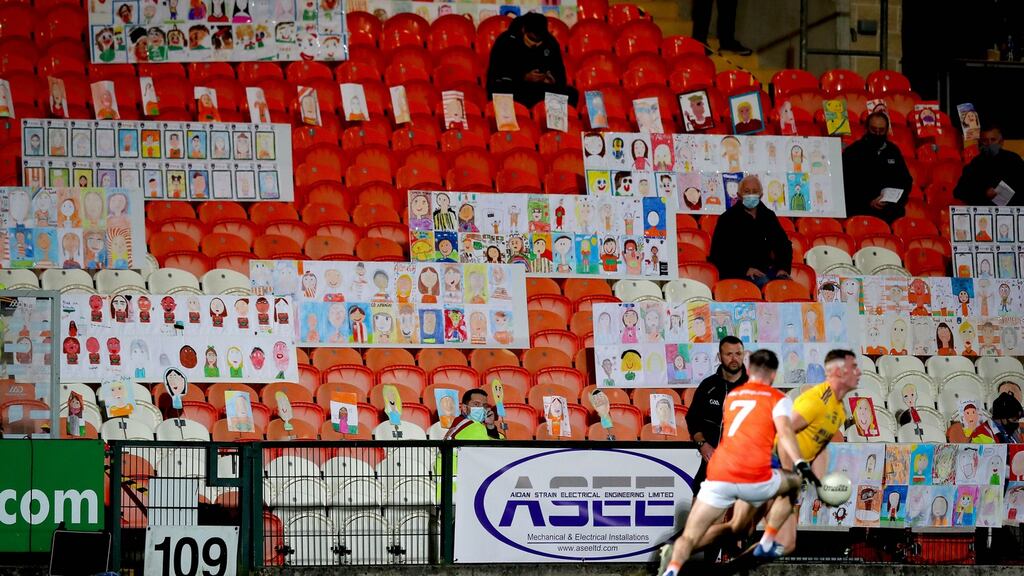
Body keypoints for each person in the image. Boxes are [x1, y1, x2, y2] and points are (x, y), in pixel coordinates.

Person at [661, 350, 819, 576]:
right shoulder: (777, 399)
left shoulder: (734, 396)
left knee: (717, 526)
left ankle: (678, 556)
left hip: (721, 467)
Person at [691, 350, 861, 558]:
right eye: (853, 368)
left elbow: (820, 448)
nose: (859, 372)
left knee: (777, 540)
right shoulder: (814, 402)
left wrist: (820, 483)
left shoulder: (838, 410)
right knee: (744, 529)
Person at [685, 336, 748, 495]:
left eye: (738, 354)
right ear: (720, 357)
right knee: (700, 517)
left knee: (747, 518)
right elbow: (693, 419)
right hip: (713, 462)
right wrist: (703, 445)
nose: (734, 358)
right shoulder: (708, 386)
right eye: (729, 354)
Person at [709, 175, 792, 287]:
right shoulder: (727, 218)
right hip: (739, 273)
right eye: (747, 191)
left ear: (761, 195)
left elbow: (783, 245)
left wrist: (783, 268)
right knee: (765, 283)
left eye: (754, 191)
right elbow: (718, 254)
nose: (751, 194)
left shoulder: (768, 216)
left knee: (786, 286)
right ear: (739, 195)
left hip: (768, 271)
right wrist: (744, 270)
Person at [486, 13, 578, 108]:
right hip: (515, 87)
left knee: (570, 94)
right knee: (501, 90)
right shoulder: (506, 41)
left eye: (539, 41)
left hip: (539, 89)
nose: (535, 44)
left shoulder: (550, 42)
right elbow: (497, 73)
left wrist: (552, 79)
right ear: (523, 30)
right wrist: (524, 76)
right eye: (532, 39)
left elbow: (560, 73)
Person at [842, 112, 913, 223]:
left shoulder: (893, 151)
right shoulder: (853, 151)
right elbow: (847, 184)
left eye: (881, 130)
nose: (877, 133)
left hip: (891, 213)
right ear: (867, 128)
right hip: (861, 213)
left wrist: (893, 199)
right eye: (874, 130)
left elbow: (905, 181)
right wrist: (868, 201)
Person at [953, 122, 1024, 206]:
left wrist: (1003, 195)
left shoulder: (1013, 160)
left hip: (1011, 212)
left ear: (1001, 142)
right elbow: (959, 192)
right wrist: (984, 193)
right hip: (982, 214)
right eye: (985, 140)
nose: (989, 144)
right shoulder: (975, 164)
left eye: (993, 140)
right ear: (980, 143)